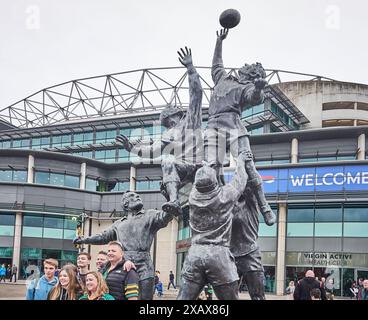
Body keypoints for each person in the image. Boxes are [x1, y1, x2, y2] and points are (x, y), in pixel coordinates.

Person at [116, 47, 203, 215]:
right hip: (183, 169)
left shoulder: (190, 121)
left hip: (199, 164)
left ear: (176, 116)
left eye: (168, 120)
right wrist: (131, 148)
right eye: (166, 122)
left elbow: (197, 94)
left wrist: (190, 68)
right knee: (167, 160)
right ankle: (174, 201)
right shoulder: (167, 135)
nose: (168, 123)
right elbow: (152, 151)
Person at [204, 28, 275, 226]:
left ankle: (264, 207)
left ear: (251, 75)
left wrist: (259, 88)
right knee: (211, 167)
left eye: (249, 66)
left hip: (234, 128)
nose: (244, 65)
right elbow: (216, 64)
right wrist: (219, 41)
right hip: (213, 128)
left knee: (248, 164)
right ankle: (218, 205)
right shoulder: (222, 78)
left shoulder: (247, 87)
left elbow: (254, 97)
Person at [74, 191, 178, 300]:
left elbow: (165, 216)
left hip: (144, 266)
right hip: (123, 266)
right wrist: (84, 239)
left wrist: (170, 200)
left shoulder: (150, 214)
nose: (137, 197)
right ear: (125, 204)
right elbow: (103, 237)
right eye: (132, 196)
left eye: (138, 195)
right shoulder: (119, 224)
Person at [177, 152, 248, 300]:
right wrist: (240, 161)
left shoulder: (193, 198)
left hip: (194, 255)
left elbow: (201, 182)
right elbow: (241, 179)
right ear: (215, 182)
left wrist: (205, 167)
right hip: (219, 256)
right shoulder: (225, 196)